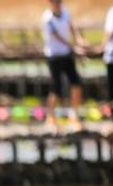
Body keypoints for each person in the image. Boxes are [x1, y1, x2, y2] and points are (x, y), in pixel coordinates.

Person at [41, 0, 86, 131]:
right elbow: (56, 36)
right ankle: (50, 117)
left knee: (76, 83)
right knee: (56, 88)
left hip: (66, 54)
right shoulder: (47, 18)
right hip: (54, 56)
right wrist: (73, 46)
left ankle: (73, 115)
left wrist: (79, 39)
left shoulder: (66, 13)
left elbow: (72, 27)